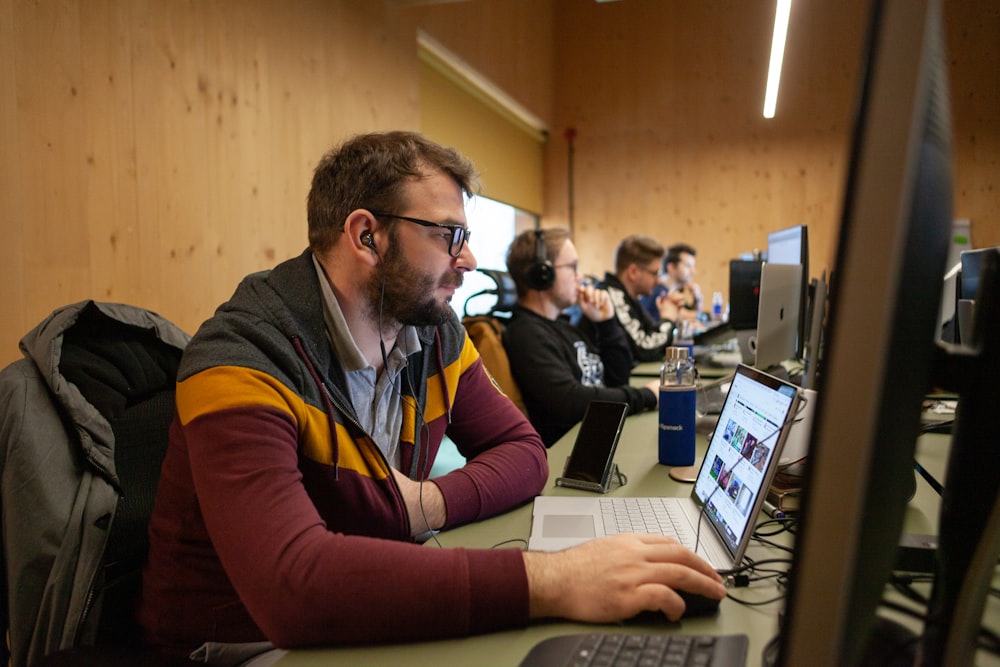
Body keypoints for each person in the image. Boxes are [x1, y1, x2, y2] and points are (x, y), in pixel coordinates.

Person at [138, 131, 726, 664]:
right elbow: (294, 586)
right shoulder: (243, 354)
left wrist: (424, 504)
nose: (468, 260)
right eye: (451, 236)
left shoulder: (431, 330)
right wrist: (553, 580)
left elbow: (523, 449)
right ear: (367, 235)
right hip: (243, 643)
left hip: (365, 603)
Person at [503, 228, 659, 446]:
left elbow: (618, 379)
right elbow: (569, 401)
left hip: (599, 436)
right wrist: (647, 396)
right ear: (543, 274)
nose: (580, 277)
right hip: (572, 453)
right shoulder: (526, 334)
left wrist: (606, 322)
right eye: (572, 267)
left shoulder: (565, 327)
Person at [596, 234, 681, 363]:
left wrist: (667, 316)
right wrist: (668, 320)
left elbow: (651, 336)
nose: (658, 281)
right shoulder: (611, 296)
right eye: (654, 273)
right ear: (633, 272)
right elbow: (644, 348)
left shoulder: (630, 297)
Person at [641, 243, 704, 325]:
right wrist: (706, 316)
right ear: (671, 267)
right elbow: (689, 315)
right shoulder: (658, 291)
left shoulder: (674, 291)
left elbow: (692, 314)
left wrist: (697, 299)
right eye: (688, 266)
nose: (693, 271)